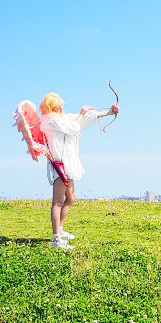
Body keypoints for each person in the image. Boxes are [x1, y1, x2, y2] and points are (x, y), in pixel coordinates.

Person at [39, 92, 118, 249]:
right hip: (59, 164)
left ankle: (60, 230)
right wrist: (82, 113)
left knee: (71, 198)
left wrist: (108, 112)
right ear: (50, 108)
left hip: (68, 163)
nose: (61, 108)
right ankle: (56, 239)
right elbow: (72, 127)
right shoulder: (49, 120)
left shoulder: (60, 118)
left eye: (61, 105)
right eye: (57, 106)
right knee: (58, 201)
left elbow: (78, 120)